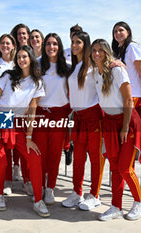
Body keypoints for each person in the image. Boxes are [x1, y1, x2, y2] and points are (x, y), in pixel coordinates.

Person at [90, 38, 141, 221]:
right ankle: (116, 206)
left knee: (125, 168)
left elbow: (127, 99)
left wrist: (124, 127)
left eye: (100, 50)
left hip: (127, 123)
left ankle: (139, 201)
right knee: (115, 167)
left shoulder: (117, 70)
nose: (97, 53)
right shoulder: (95, 73)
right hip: (108, 123)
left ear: (107, 52)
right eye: (93, 50)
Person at [0, 45, 50, 217]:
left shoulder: (38, 82)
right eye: (19, 57)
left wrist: (29, 137)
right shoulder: (8, 76)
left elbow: (33, 109)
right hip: (1, 118)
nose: (21, 60)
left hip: (19, 122)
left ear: (31, 58)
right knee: (1, 161)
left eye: (24, 56)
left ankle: (38, 200)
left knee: (35, 157)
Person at [61, 31, 105, 211]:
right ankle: (77, 192)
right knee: (78, 158)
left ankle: (95, 195)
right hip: (78, 117)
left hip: (94, 117)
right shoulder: (74, 67)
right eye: (72, 42)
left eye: (78, 42)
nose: (74, 45)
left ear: (85, 45)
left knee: (96, 158)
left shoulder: (94, 68)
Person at [33, 33, 71, 204]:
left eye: (54, 43)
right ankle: (39, 186)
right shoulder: (38, 65)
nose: (51, 47)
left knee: (55, 155)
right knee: (40, 153)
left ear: (59, 46)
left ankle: (50, 188)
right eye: (48, 43)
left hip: (59, 115)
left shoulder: (68, 67)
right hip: (41, 113)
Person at [0, 34, 16, 195]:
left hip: (20, 112)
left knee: (21, 149)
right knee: (6, 148)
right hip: (4, 111)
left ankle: (27, 180)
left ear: (13, 45)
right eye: (2, 43)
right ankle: (7, 181)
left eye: (8, 43)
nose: (5, 46)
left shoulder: (19, 63)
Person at [10, 23, 32, 189]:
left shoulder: (32, 57)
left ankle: (28, 181)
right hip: (6, 113)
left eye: (24, 33)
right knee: (2, 149)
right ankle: (3, 186)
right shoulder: (3, 63)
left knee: (26, 148)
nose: (22, 36)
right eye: (19, 34)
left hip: (24, 112)